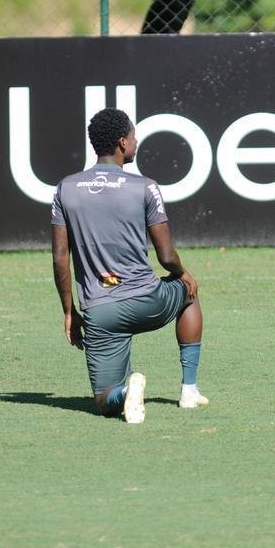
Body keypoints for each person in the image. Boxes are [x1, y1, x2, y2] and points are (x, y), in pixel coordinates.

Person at [52, 108, 207, 424]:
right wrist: (183, 273)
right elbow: (166, 255)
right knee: (188, 292)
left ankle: (125, 393)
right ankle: (189, 390)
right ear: (123, 143)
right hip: (145, 300)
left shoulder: (66, 188)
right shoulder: (145, 186)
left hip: (100, 311)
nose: (137, 141)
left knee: (104, 401)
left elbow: (59, 257)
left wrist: (69, 311)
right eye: (134, 136)